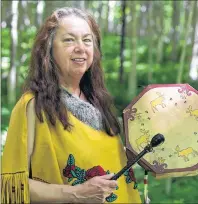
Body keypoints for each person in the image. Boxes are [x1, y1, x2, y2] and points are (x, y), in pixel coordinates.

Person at [1, 7, 141, 203]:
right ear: (48, 48)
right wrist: (77, 194)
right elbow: (11, 188)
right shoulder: (32, 106)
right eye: (69, 40)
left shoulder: (100, 104)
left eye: (87, 40)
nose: (80, 47)